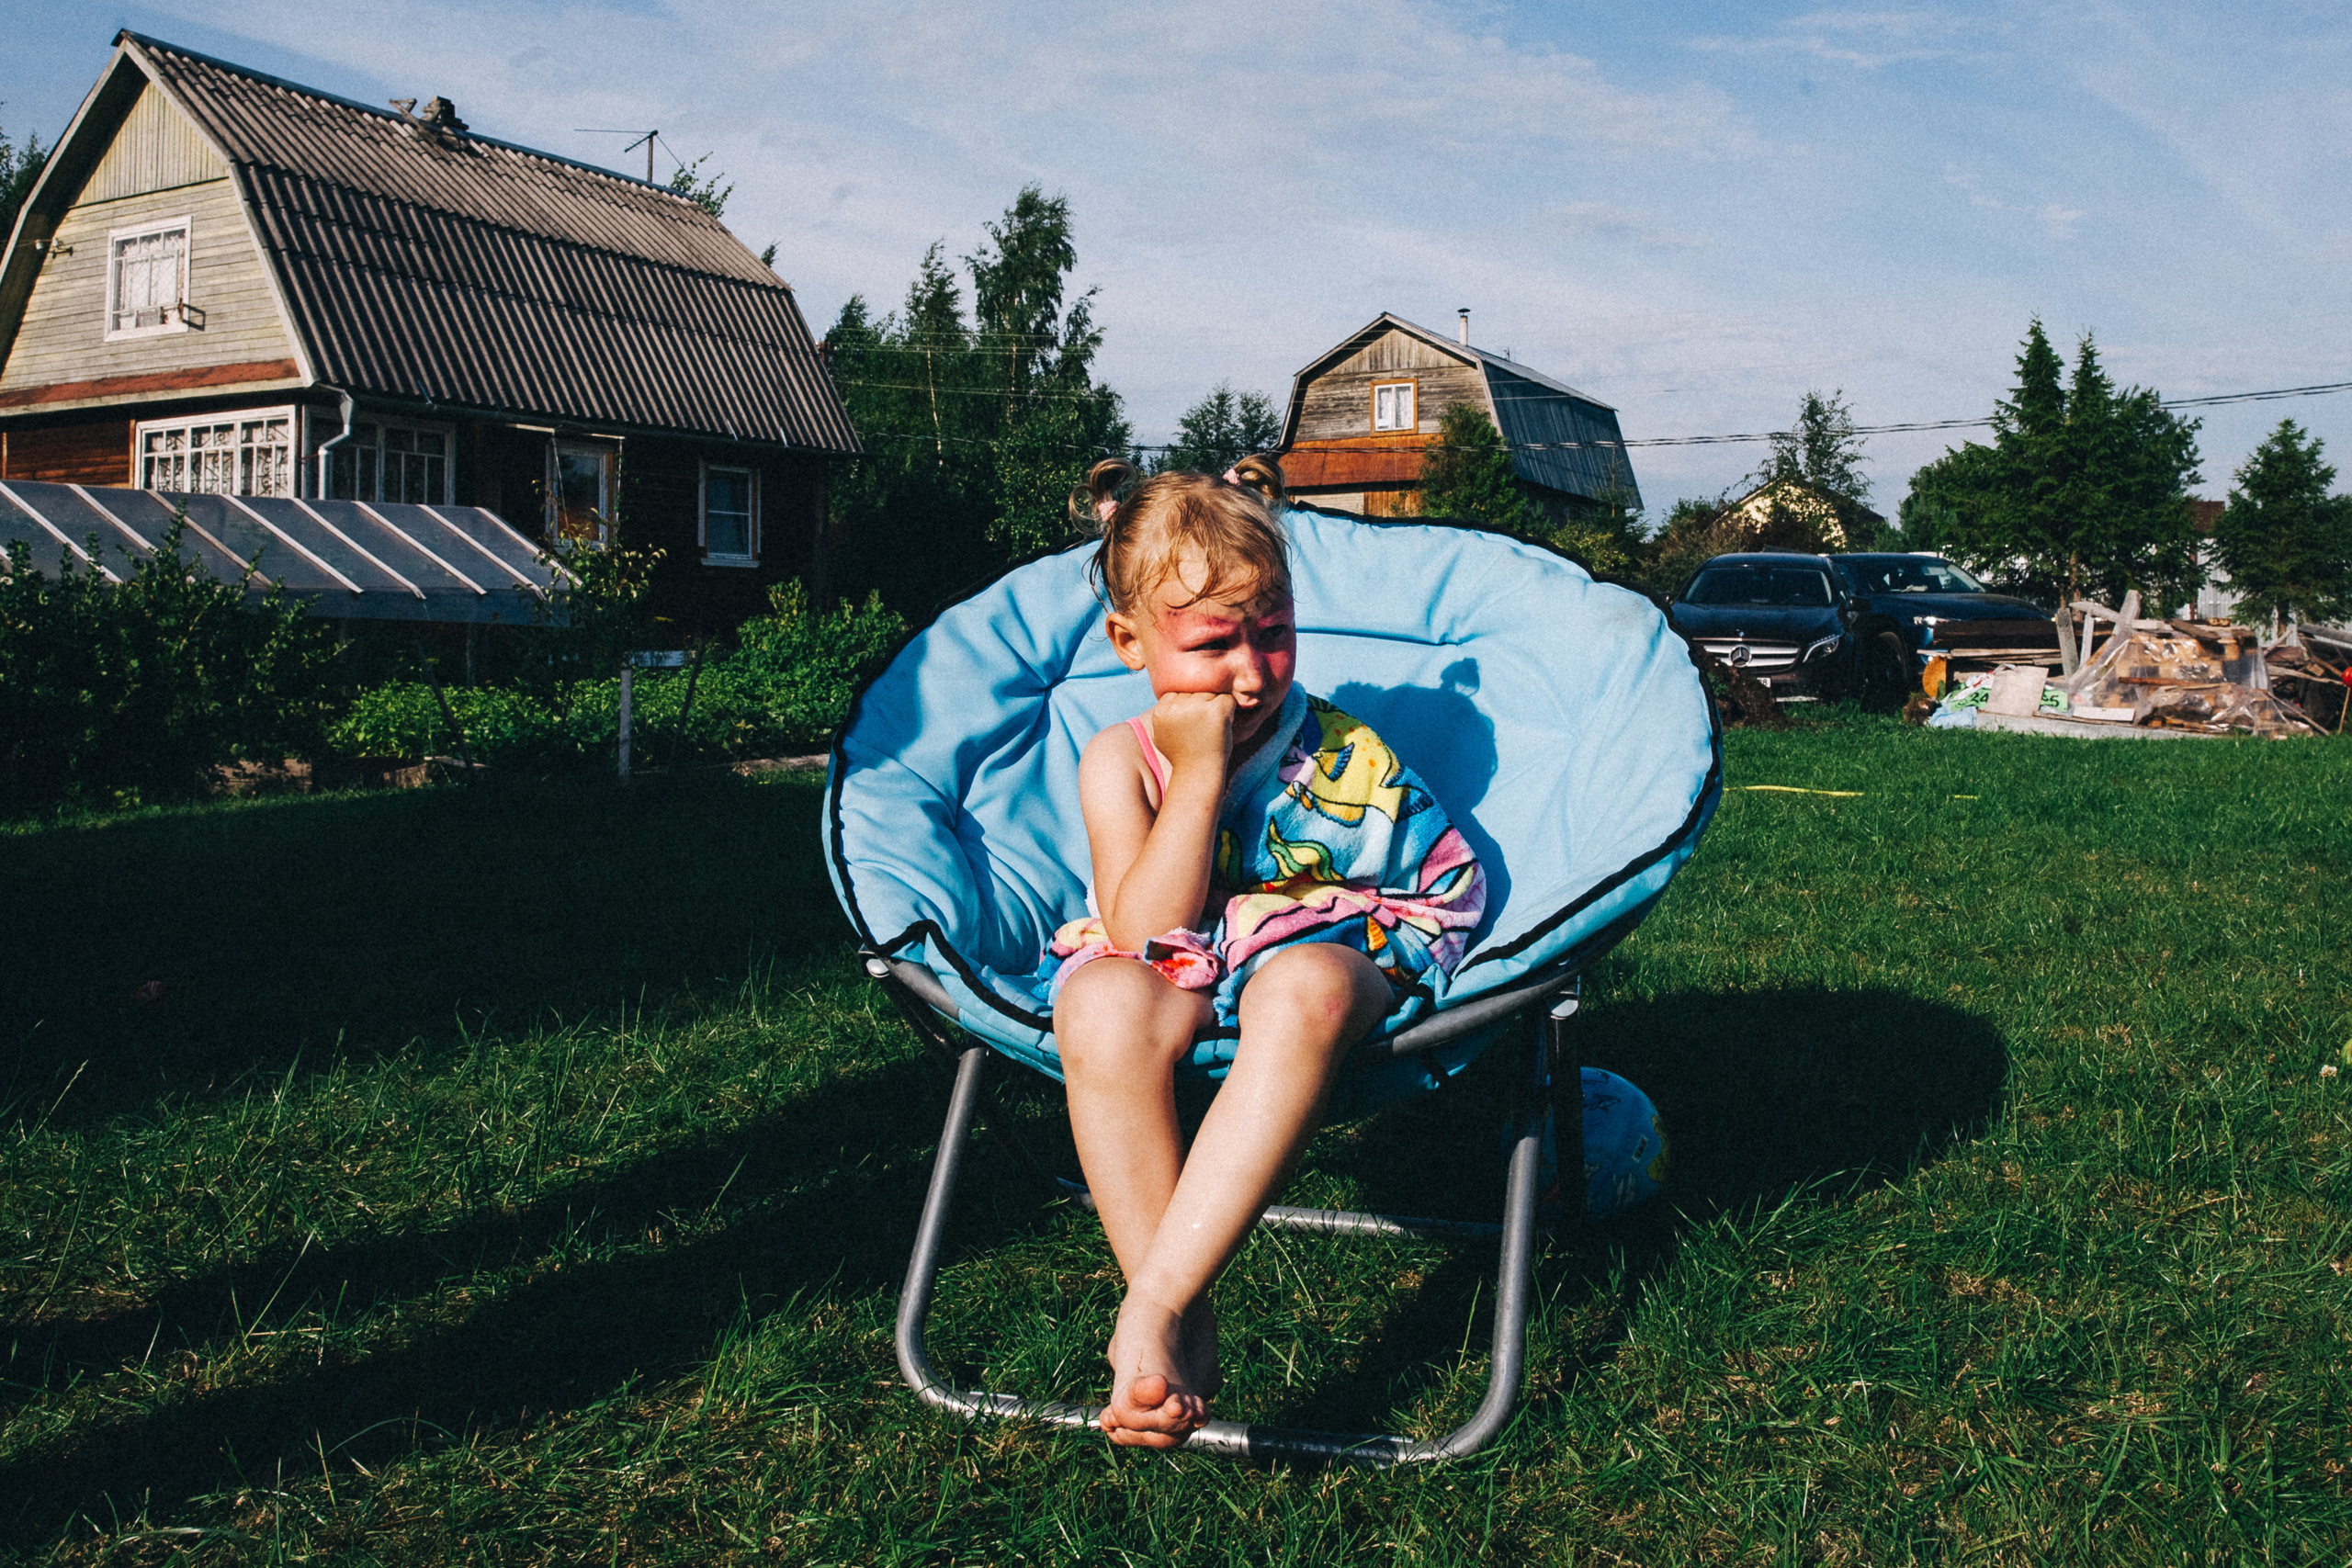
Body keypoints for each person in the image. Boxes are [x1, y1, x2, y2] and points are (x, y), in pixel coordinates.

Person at [1042, 456, 1486, 1448]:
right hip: (1192, 952)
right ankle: (1184, 1319)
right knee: (1099, 1002)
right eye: (1210, 645)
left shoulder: (1340, 756)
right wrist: (1195, 779)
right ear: (1128, 643)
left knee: (1301, 988)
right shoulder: (1120, 759)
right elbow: (1147, 935)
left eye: (1274, 635)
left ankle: (1150, 1307)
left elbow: (1405, 879)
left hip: (1347, 929)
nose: (1249, 673)